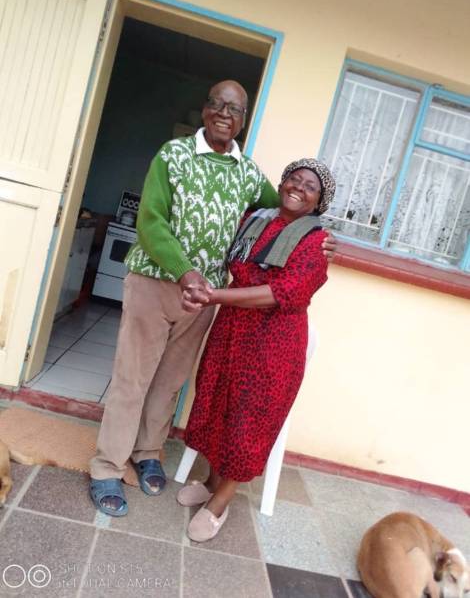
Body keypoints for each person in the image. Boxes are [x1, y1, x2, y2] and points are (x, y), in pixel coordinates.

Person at [89, 80, 336, 517]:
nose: (224, 114)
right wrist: (186, 273)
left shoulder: (247, 173)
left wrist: (324, 235)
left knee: (170, 381)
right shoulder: (174, 155)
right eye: (217, 105)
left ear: (242, 120)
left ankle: (147, 452)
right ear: (205, 110)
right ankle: (107, 466)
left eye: (234, 109)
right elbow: (150, 220)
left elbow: (291, 207)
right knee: (132, 378)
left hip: (203, 299)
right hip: (157, 283)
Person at [177, 158, 335, 542]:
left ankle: (221, 502)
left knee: (249, 419)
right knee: (217, 401)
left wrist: (215, 296)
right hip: (231, 330)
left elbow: (282, 293)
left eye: (310, 186)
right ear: (281, 184)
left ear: (319, 202)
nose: (299, 188)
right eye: (294, 179)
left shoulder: (316, 242)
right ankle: (211, 481)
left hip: (272, 343)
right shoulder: (255, 219)